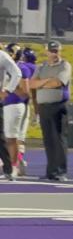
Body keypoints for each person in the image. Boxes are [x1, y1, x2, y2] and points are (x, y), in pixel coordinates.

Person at [31, 41, 70, 181]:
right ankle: (51, 172)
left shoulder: (65, 65)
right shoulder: (41, 67)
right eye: (52, 51)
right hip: (44, 107)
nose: (54, 53)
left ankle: (61, 172)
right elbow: (32, 84)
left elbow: (57, 83)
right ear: (46, 52)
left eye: (56, 51)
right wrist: (47, 81)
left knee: (59, 140)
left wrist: (41, 83)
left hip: (58, 106)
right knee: (48, 141)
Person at [3, 45, 35, 178]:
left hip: (15, 105)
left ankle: (14, 167)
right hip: (7, 105)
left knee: (12, 139)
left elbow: (25, 93)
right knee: (10, 138)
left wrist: (8, 87)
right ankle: (16, 165)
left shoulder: (21, 68)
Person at [0, 44, 22, 180]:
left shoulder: (2, 56)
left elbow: (17, 73)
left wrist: (7, 90)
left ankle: (8, 169)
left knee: (0, 138)